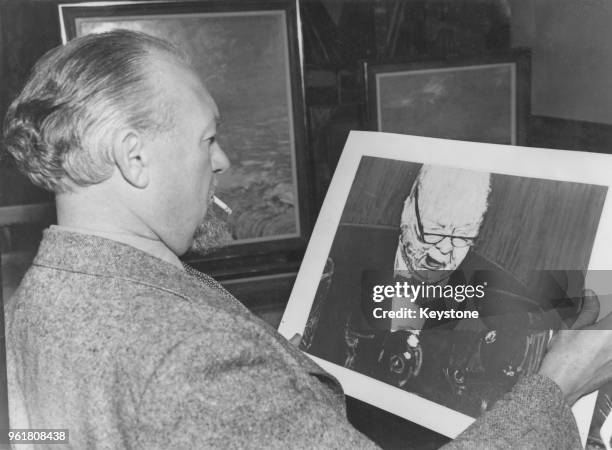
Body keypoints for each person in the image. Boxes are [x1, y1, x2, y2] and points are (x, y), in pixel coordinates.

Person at [2, 29, 610, 449]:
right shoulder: (192, 361)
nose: (223, 161)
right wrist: (560, 387)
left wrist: (279, 374)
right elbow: (184, 382)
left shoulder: (38, 300)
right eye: (207, 139)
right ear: (134, 158)